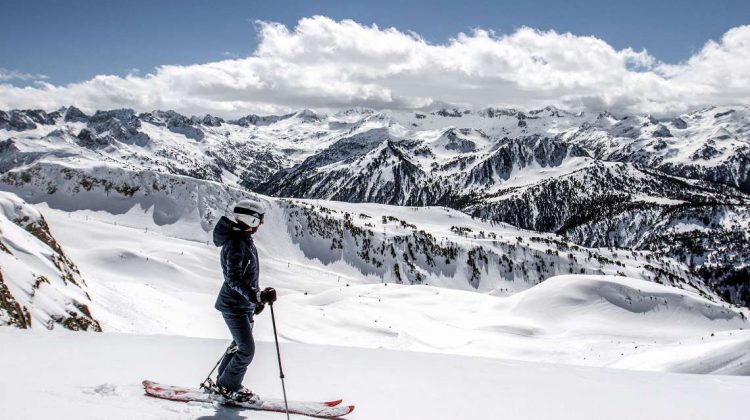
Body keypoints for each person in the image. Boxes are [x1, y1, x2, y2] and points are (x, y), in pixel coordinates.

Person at [211, 197, 277, 403]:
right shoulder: (237, 243)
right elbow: (233, 279)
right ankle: (228, 386)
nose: (263, 223)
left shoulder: (244, 239)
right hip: (233, 306)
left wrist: (255, 300)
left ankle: (223, 382)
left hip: (242, 304)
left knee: (239, 345)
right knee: (247, 350)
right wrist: (255, 296)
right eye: (260, 219)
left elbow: (247, 276)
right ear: (251, 220)